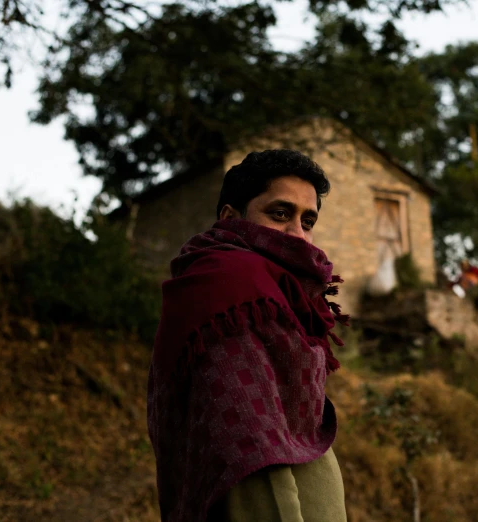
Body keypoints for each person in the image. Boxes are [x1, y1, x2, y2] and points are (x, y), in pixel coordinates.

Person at [147, 150, 349, 522]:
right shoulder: (227, 283)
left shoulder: (285, 294)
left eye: (308, 221)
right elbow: (248, 436)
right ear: (230, 217)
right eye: (279, 214)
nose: (297, 234)